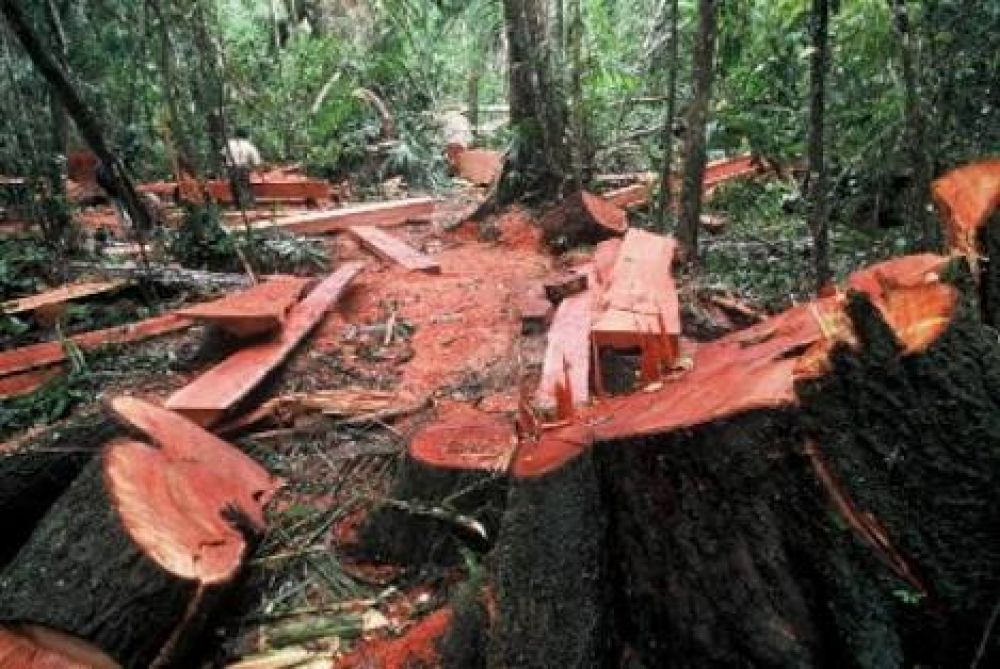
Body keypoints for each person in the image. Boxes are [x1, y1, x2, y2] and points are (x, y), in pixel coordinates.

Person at [224, 127, 262, 209]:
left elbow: (223, 155)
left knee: (234, 186)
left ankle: (237, 205)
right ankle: (248, 205)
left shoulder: (229, 144)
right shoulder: (249, 145)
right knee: (245, 186)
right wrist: (259, 173)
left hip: (231, 168)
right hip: (243, 168)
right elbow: (256, 161)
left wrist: (226, 165)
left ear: (236, 135)